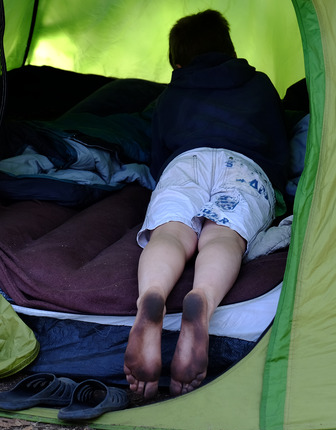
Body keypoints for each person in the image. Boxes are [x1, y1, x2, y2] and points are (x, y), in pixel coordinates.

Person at [123, 9, 289, 399]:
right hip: (245, 166)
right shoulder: (260, 85)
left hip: (187, 162)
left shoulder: (171, 95)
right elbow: (279, 148)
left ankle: (152, 297)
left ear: (179, 63)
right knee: (223, 237)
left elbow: (158, 157)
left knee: (171, 232)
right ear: (229, 49)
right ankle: (202, 301)